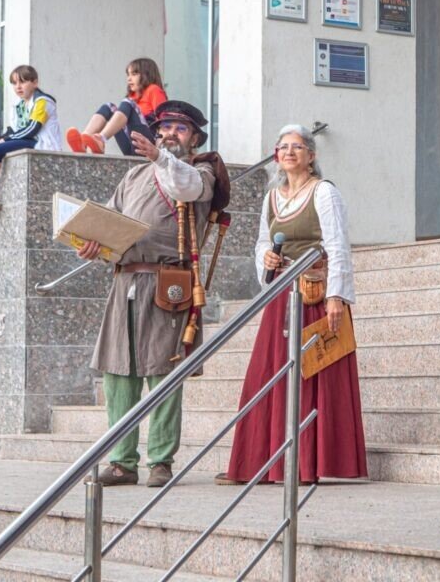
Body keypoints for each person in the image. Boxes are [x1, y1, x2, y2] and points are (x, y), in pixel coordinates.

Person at [78, 101, 219, 488]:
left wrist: (160, 158)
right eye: (165, 128)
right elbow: (109, 221)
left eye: (181, 129)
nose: (171, 133)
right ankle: (122, 462)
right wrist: (92, 243)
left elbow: (184, 187)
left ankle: (161, 461)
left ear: (194, 139)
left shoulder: (200, 172)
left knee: (163, 372)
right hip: (124, 280)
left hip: (167, 282)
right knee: (117, 374)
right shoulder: (133, 176)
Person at [216, 124, 367, 484]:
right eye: (283, 147)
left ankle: (306, 463)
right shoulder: (271, 197)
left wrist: (336, 297)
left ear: (311, 156)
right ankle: (263, 462)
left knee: (309, 375)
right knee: (268, 374)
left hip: (314, 294)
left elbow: (337, 246)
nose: (288, 152)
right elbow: (261, 243)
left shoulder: (324, 192)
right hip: (281, 294)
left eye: (297, 146)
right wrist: (266, 259)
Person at [0, 65, 61, 212]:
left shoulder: (43, 101)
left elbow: (33, 128)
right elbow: (13, 130)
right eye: (14, 83)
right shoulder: (19, 105)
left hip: (41, 142)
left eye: (22, 82)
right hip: (29, 140)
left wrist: (5, 141)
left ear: (35, 83)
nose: (18, 87)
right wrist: (0, 139)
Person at [67, 57, 168, 155]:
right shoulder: (132, 97)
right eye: (128, 75)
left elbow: (165, 121)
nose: (129, 79)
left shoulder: (154, 90)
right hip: (131, 147)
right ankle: (83, 142)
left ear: (147, 74)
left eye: (134, 74)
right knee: (108, 107)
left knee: (128, 103)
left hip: (149, 147)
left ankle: (101, 139)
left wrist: (160, 152)